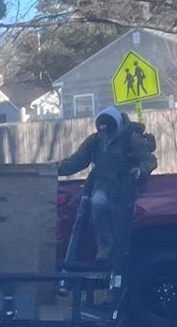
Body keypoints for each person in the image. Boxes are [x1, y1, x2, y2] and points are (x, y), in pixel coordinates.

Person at [56, 107, 156, 284]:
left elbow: (148, 160)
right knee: (98, 203)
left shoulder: (131, 139)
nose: (106, 135)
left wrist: (140, 171)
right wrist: (54, 169)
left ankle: (120, 263)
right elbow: (78, 160)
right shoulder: (95, 141)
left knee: (120, 222)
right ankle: (104, 249)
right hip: (102, 185)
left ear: (116, 126)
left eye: (109, 131)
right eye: (102, 132)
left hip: (124, 187)